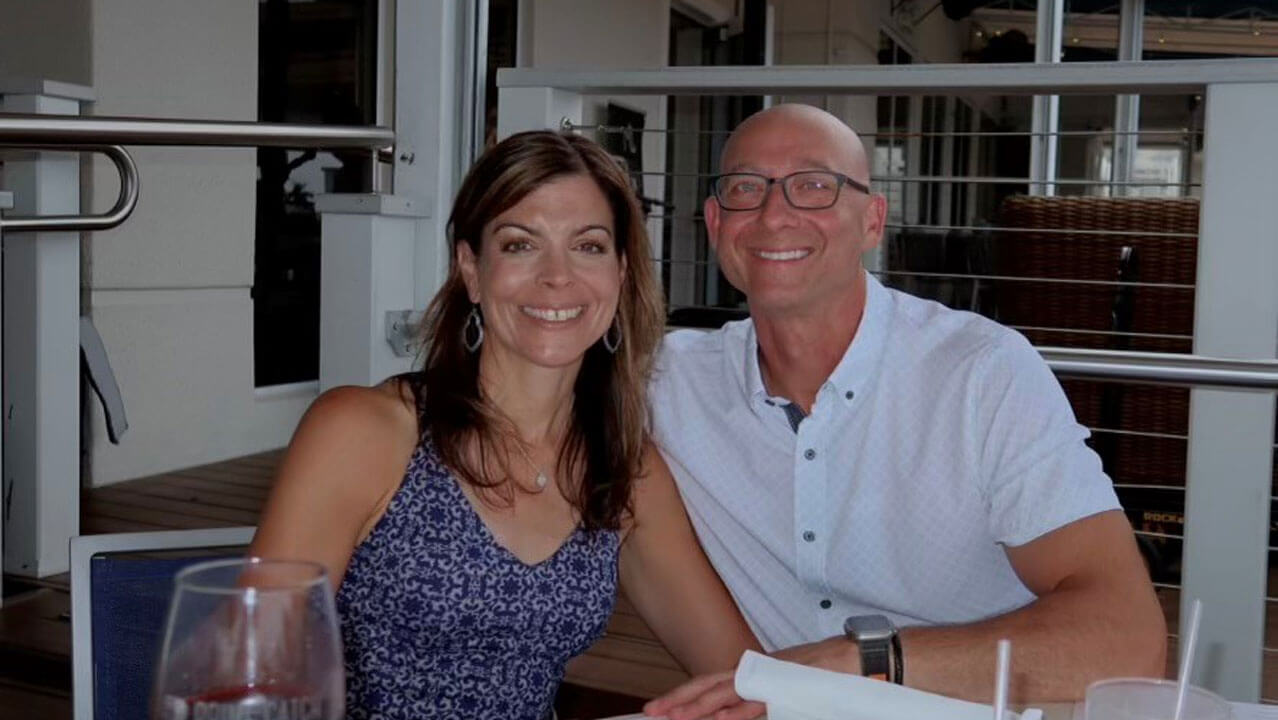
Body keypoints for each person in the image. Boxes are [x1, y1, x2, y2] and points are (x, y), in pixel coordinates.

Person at [644, 104, 1166, 720]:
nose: (774, 213)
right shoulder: (668, 385)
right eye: (744, 188)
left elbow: (1127, 636)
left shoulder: (981, 374)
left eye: (814, 185)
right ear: (714, 222)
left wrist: (865, 662)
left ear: (872, 221)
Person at [250, 130, 759, 720]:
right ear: (471, 269)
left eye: (589, 247)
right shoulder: (366, 432)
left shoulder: (626, 472)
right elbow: (250, 677)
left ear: (620, 273)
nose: (556, 277)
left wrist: (861, 665)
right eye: (520, 245)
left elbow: (741, 675)